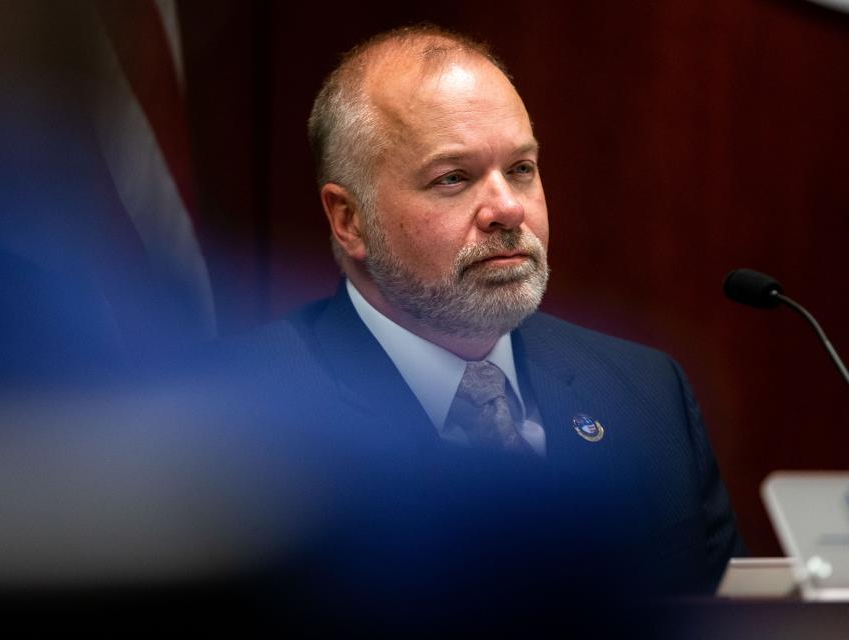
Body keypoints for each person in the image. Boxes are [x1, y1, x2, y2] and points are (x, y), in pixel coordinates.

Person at [211, 25, 744, 628]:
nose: (508, 209)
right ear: (349, 219)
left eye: (520, 169)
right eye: (452, 179)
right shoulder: (236, 418)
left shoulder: (648, 391)